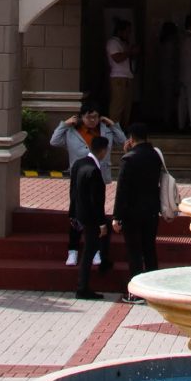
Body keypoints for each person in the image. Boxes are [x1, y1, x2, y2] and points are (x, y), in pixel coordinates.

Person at [51, 105, 125, 268]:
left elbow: (123, 141)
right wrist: (65, 124)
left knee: (97, 212)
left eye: (95, 117)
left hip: (99, 176)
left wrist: (113, 125)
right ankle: (73, 250)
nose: (92, 121)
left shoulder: (105, 130)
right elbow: (54, 141)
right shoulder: (72, 131)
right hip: (78, 178)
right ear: (81, 117)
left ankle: (96, 250)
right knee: (76, 213)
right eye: (88, 117)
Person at [114, 123, 167, 300]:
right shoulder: (155, 156)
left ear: (131, 138)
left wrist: (117, 216)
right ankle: (154, 289)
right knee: (149, 249)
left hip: (132, 213)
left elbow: (122, 190)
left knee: (135, 252)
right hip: (151, 210)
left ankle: (136, 293)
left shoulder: (129, 159)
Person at [67, 123, 112, 300]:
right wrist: (100, 223)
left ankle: (105, 262)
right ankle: (82, 287)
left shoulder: (78, 164)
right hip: (90, 217)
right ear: (103, 151)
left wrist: (72, 213)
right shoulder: (94, 171)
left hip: (79, 213)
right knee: (89, 251)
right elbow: (97, 202)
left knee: (96, 243)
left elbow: (72, 191)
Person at [105, 19, 137, 127]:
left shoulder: (123, 43)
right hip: (118, 77)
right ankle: (113, 128)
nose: (129, 34)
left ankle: (123, 127)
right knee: (118, 105)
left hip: (127, 77)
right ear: (120, 31)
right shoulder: (113, 42)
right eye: (127, 31)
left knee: (126, 106)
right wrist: (130, 52)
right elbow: (117, 58)